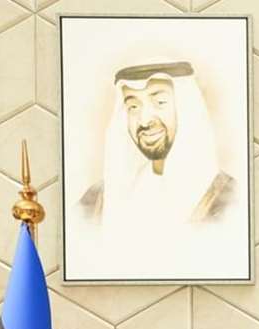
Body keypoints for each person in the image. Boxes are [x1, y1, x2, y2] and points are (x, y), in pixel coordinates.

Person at [76, 61, 240, 278]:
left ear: (186, 109)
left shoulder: (227, 200)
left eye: (160, 102)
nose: (144, 120)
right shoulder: (95, 201)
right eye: (133, 107)